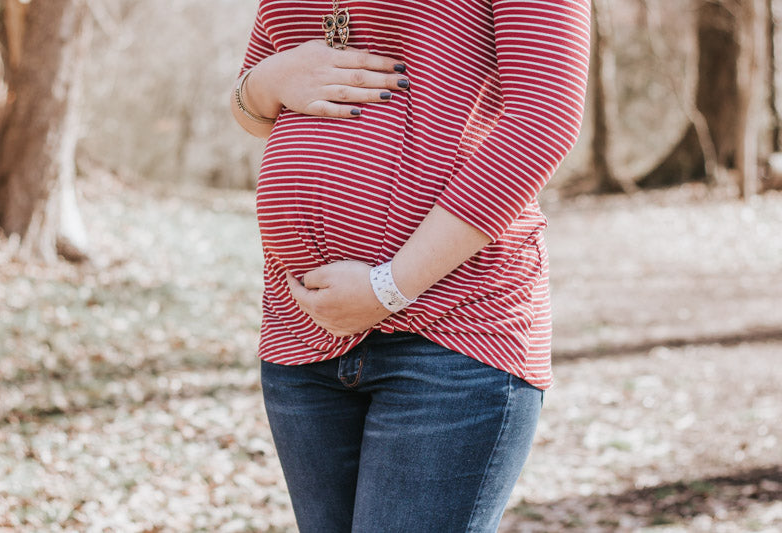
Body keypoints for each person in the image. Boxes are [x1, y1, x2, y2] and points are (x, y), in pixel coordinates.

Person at [231, 1, 590, 531]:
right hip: (301, 331)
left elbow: (543, 116)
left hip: (456, 331)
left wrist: (389, 286)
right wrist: (266, 81)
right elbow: (255, 105)